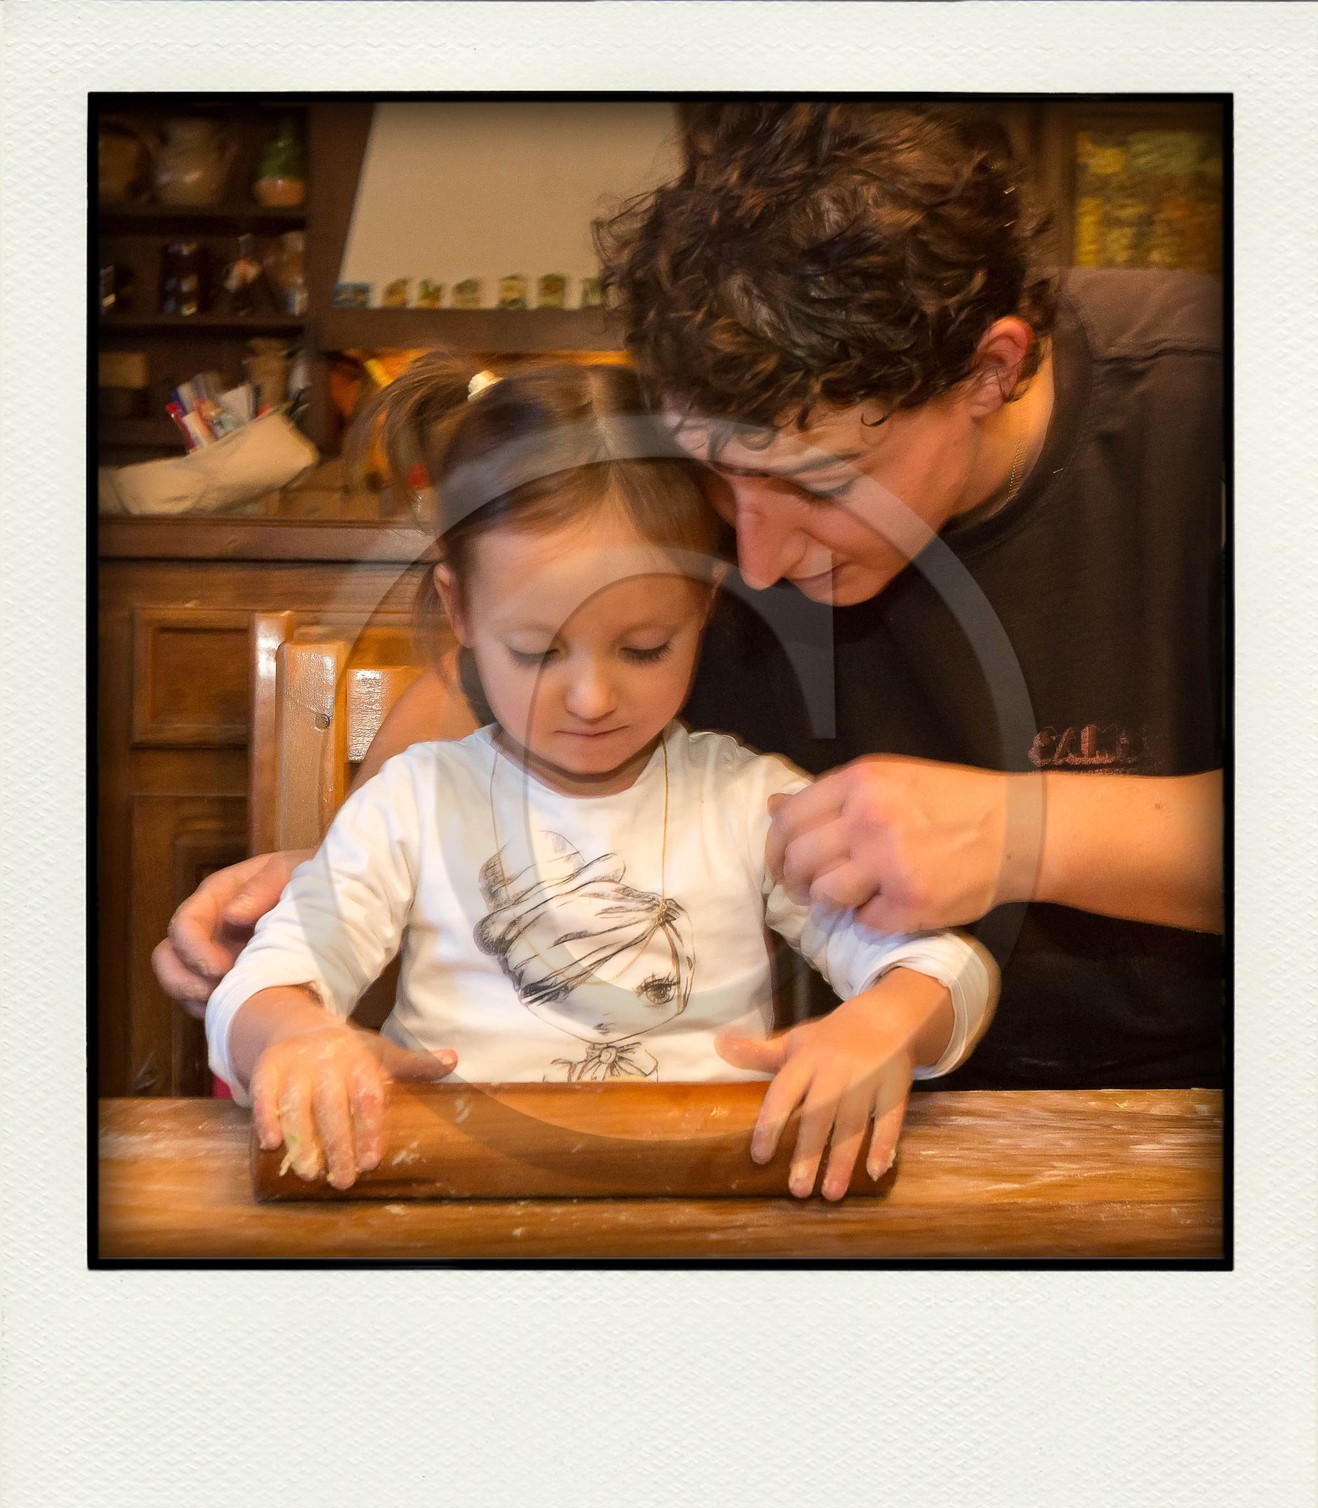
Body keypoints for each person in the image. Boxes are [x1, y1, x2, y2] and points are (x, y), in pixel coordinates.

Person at [159, 100, 1222, 1110]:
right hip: (828, 1105)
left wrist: (1025, 832)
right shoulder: (732, 438)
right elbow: (479, 671)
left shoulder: (1217, 404)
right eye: (720, 477)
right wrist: (348, 870)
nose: (752, 559)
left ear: (989, 372)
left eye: (821, 485)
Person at [205, 357, 995, 1193]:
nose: (591, 699)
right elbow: (256, 986)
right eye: (538, 651)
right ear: (460, 608)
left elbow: (952, 969)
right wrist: (295, 1033)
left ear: (705, 606)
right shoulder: (414, 804)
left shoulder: (749, 803)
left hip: (704, 1204)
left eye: (644, 648)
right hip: (455, 1199)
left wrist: (883, 1023)